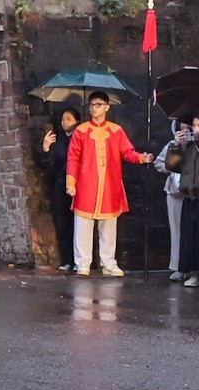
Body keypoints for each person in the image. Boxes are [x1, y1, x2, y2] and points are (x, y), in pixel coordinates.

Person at [64, 91, 150, 277]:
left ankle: (109, 263)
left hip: (110, 185)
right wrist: (71, 182)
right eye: (92, 105)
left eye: (98, 105)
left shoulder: (116, 130)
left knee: (109, 226)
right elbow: (72, 158)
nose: (95, 108)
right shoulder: (81, 131)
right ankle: (83, 263)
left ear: (107, 107)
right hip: (87, 184)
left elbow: (128, 152)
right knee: (83, 225)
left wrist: (142, 158)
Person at [165, 117, 199, 288]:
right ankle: (193, 273)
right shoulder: (188, 147)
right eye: (194, 125)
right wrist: (176, 145)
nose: (196, 129)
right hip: (189, 196)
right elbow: (172, 165)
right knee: (189, 237)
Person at [38, 104, 82, 271]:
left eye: (69, 119)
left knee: (79, 223)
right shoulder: (60, 141)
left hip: (78, 184)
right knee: (63, 222)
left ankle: (82, 259)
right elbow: (49, 164)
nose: (65, 122)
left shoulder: (81, 139)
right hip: (60, 184)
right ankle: (68, 259)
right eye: (63, 119)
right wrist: (46, 148)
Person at [153, 120, 191, 280]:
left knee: (194, 231)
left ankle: (197, 268)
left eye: (187, 127)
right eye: (180, 128)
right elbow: (158, 163)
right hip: (174, 192)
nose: (184, 130)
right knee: (176, 230)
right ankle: (177, 267)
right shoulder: (171, 144)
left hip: (193, 192)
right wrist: (172, 166)